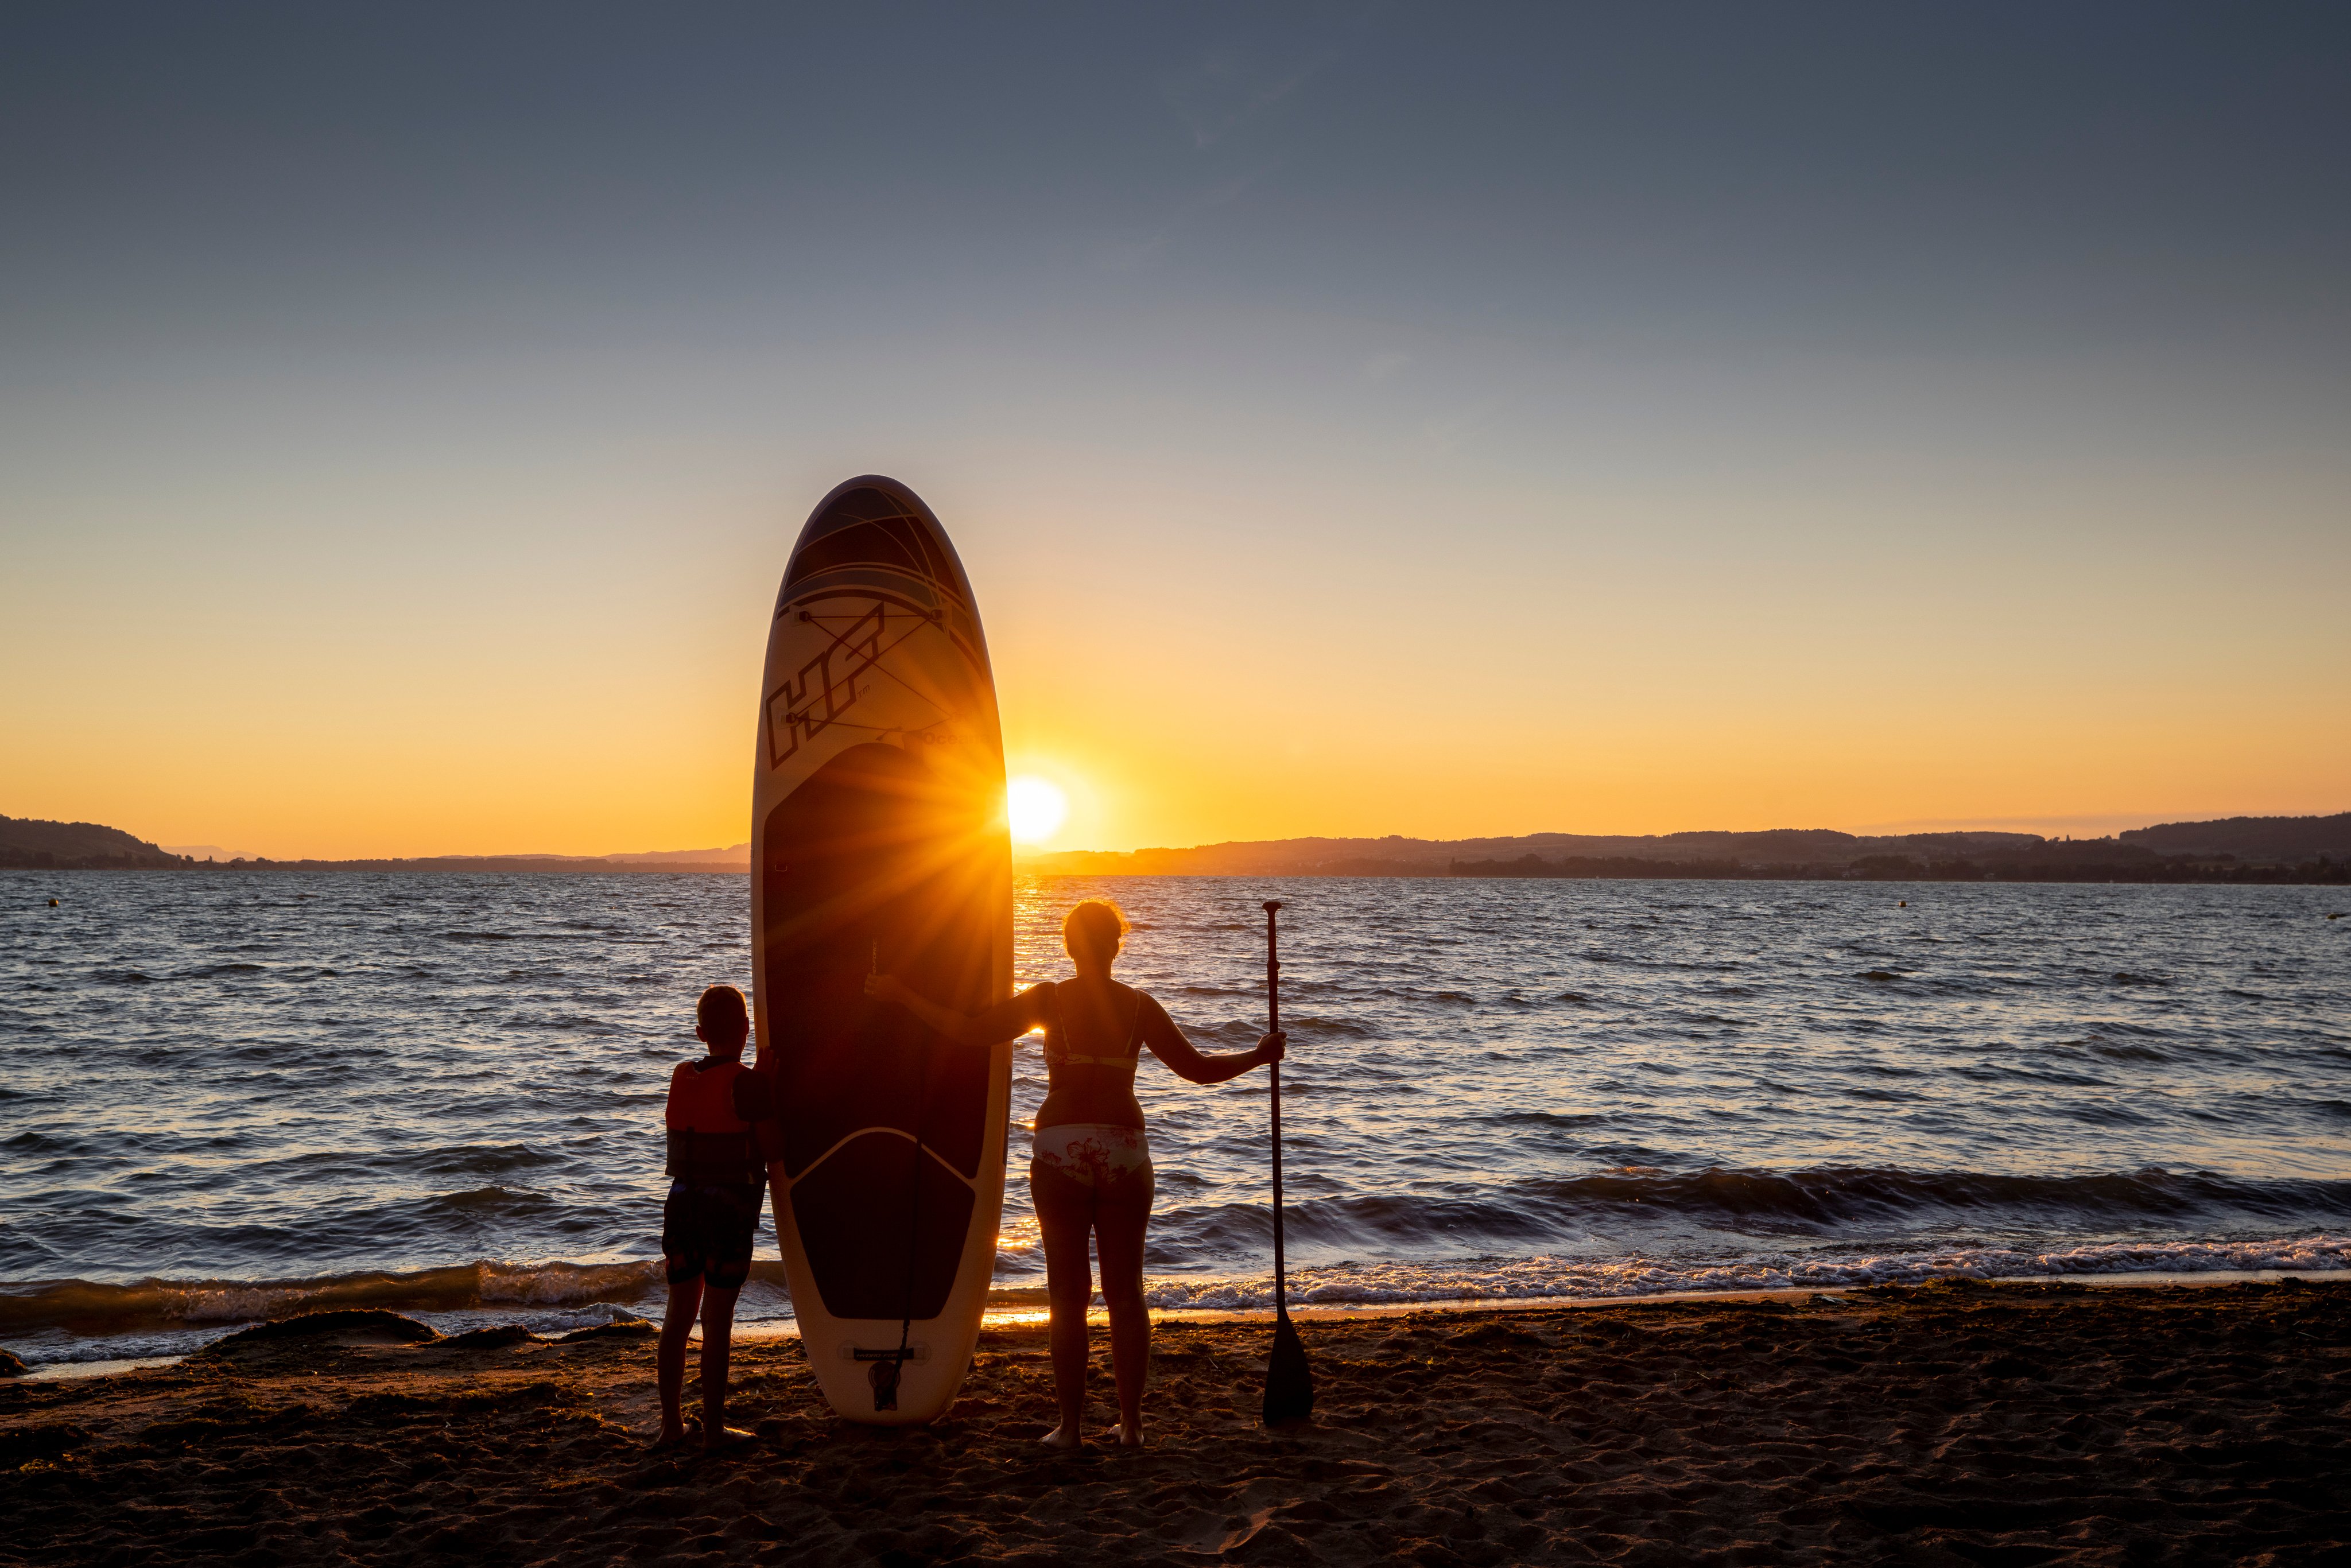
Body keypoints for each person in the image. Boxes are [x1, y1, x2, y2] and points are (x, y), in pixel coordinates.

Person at [866, 898, 1283, 1449]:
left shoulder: (1050, 999)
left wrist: (903, 995)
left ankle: (1070, 1428)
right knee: (1126, 1293)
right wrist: (1258, 1056)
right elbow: (1198, 1070)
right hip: (1123, 1148)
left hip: (1060, 1146)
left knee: (1068, 1296)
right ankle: (1132, 1426)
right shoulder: (1139, 1006)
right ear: (1117, 945)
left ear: (1069, 946)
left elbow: (969, 1031)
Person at [654, 983, 767, 1453]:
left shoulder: (682, 1074)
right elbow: (774, 1149)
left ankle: (672, 1427)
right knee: (716, 1321)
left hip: (681, 1204)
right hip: (727, 1210)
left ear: (700, 1033)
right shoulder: (748, 1083)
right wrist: (768, 1086)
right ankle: (715, 1432)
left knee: (678, 1317)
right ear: (747, 1029)